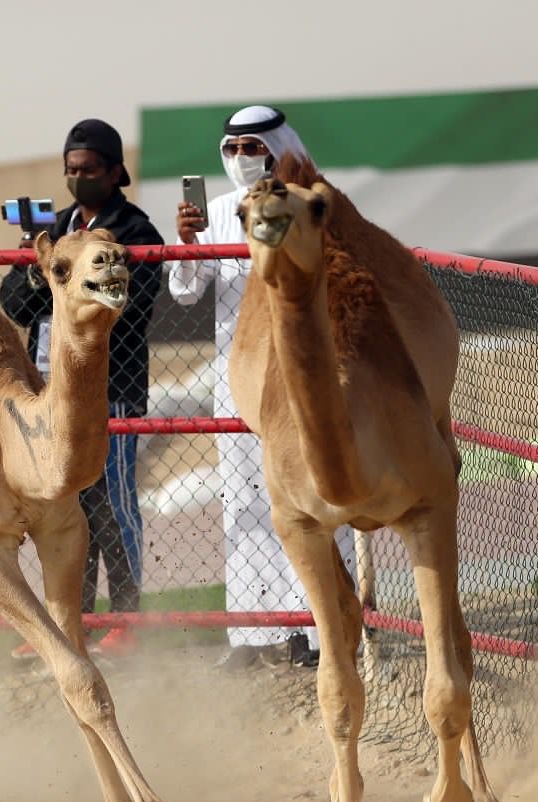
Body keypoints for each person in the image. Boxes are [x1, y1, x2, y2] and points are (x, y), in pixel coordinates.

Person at [166, 105, 351, 669]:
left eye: (253, 147)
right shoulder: (218, 213)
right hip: (241, 380)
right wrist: (189, 243)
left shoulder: (307, 203)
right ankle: (254, 633)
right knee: (245, 504)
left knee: (317, 497)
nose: (243, 158)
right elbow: (185, 293)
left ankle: (324, 632)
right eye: (233, 149)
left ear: (276, 147)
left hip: (304, 374)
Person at [0, 119, 163, 659]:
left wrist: (66, 285)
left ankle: (128, 619)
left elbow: (128, 307)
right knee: (65, 510)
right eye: (71, 169)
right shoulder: (59, 232)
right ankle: (74, 624)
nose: (79, 177)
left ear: (116, 171)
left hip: (108, 390)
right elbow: (17, 304)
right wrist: (37, 271)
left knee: (113, 502)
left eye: (89, 169)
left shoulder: (136, 231)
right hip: (50, 392)